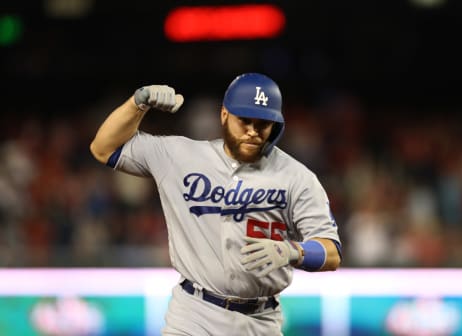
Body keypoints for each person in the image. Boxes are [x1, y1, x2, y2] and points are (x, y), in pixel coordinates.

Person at [90, 73, 342, 336]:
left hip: (260, 320)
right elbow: (103, 148)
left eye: (263, 124)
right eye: (244, 120)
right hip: (193, 314)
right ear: (224, 115)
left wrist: (294, 251)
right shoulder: (181, 156)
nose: (253, 131)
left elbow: (332, 252)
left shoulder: (296, 177)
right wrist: (137, 103)